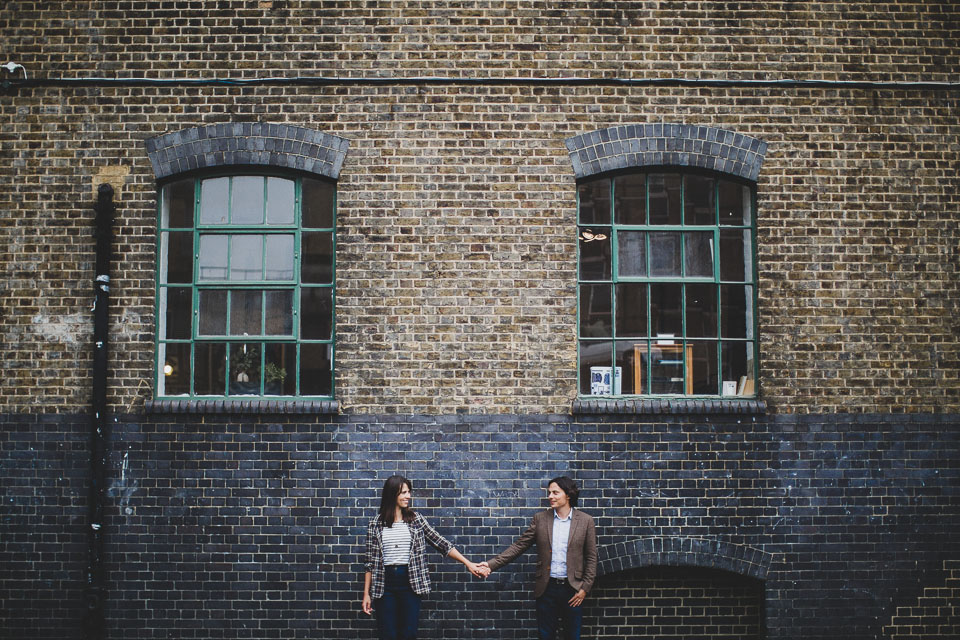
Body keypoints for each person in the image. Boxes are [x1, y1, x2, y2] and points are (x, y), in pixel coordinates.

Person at [362, 474, 487, 640]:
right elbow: (369, 562)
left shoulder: (416, 520)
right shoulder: (376, 524)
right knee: (387, 635)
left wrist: (468, 563)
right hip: (384, 585)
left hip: (410, 583)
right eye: (404, 492)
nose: (408, 496)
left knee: (409, 634)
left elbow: (442, 543)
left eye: (409, 492)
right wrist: (366, 594)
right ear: (392, 494)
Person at [480, 476, 597, 640]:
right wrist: (490, 565)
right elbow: (518, 546)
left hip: (573, 590)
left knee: (572, 636)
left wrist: (584, 589)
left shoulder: (586, 521)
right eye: (549, 493)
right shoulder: (541, 519)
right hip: (546, 589)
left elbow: (591, 558)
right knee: (545, 635)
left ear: (568, 495)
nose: (550, 496)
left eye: (555, 492)